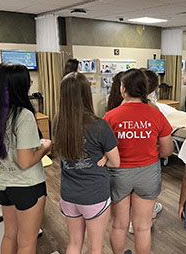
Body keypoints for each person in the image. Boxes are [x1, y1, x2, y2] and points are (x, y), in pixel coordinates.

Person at [0, 63, 52, 254]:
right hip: (27, 187)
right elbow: (25, 161)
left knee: (9, 235)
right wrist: (45, 148)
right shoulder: (23, 115)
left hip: (2, 185)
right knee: (27, 243)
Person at [104, 68, 174, 254]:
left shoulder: (110, 117)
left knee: (119, 225)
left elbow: (104, 153)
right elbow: (167, 150)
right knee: (143, 227)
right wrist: (150, 153)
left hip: (119, 174)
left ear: (123, 89)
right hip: (148, 173)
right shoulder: (156, 114)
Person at [54, 72, 120, 254]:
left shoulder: (58, 123)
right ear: (86, 93)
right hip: (94, 196)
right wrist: (106, 157)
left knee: (73, 244)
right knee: (95, 248)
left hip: (68, 195)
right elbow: (116, 162)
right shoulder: (100, 125)